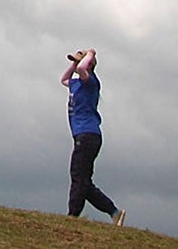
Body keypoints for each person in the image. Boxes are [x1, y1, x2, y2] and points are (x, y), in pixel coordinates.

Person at [62, 48, 125, 225]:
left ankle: (72, 216)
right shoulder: (76, 83)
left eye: (77, 62)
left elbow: (83, 70)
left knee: (78, 176)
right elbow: (63, 80)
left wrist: (91, 54)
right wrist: (74, 63)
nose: (76, 66)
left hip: (88, 134)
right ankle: (114, 212)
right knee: (84, 183)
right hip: (83, 135)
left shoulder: (90, 82)